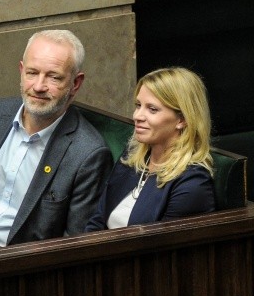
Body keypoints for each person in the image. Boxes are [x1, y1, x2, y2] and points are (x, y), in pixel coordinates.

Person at [0, 29, 112, 246]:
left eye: (53, 77)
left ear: (76, 83)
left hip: (18, 264)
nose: (38, 86)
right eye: (32, 73)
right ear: (21, 71)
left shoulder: (87, 154)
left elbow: (75, 243)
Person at [85, 67, 215, 231]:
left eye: (152, 109)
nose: (137, 116)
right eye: (138, 105)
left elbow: (162, 252)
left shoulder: (192, 184)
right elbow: (98, 220)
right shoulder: (133, 156)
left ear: (182, 119)